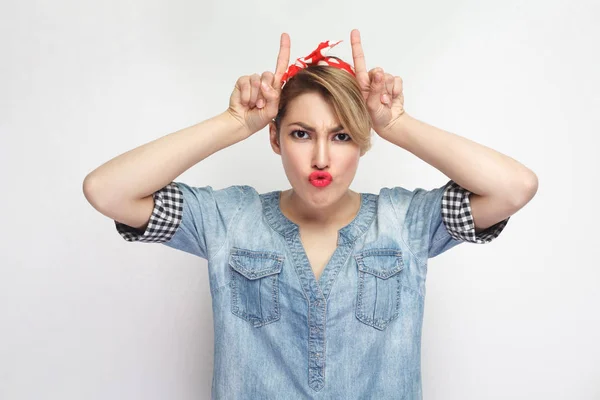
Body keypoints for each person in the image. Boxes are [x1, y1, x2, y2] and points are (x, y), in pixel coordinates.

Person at [83, 29, 536, 399]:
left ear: (362, 141)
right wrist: (233, 122)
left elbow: (514, 187)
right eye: (302, 134)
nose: (321, 158)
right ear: (276, 139)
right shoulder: (228, 220)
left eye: (341, 137)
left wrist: (397, 124)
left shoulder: (407, 223)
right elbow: (107, 191)